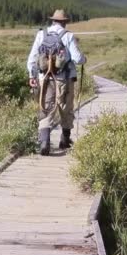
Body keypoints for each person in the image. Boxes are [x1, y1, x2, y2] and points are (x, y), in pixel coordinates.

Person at [26, 10, 86, 155]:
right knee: (66, 108)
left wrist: (32, 76)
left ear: (53, 21)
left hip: (44, 78)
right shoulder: (68, 36)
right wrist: (84, 59)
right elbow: (78, 59)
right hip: (63, 79)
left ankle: (44, 141)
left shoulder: (41, 34)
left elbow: (32, 58)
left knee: (46, 107)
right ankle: (65, 140)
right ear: (64, 22)